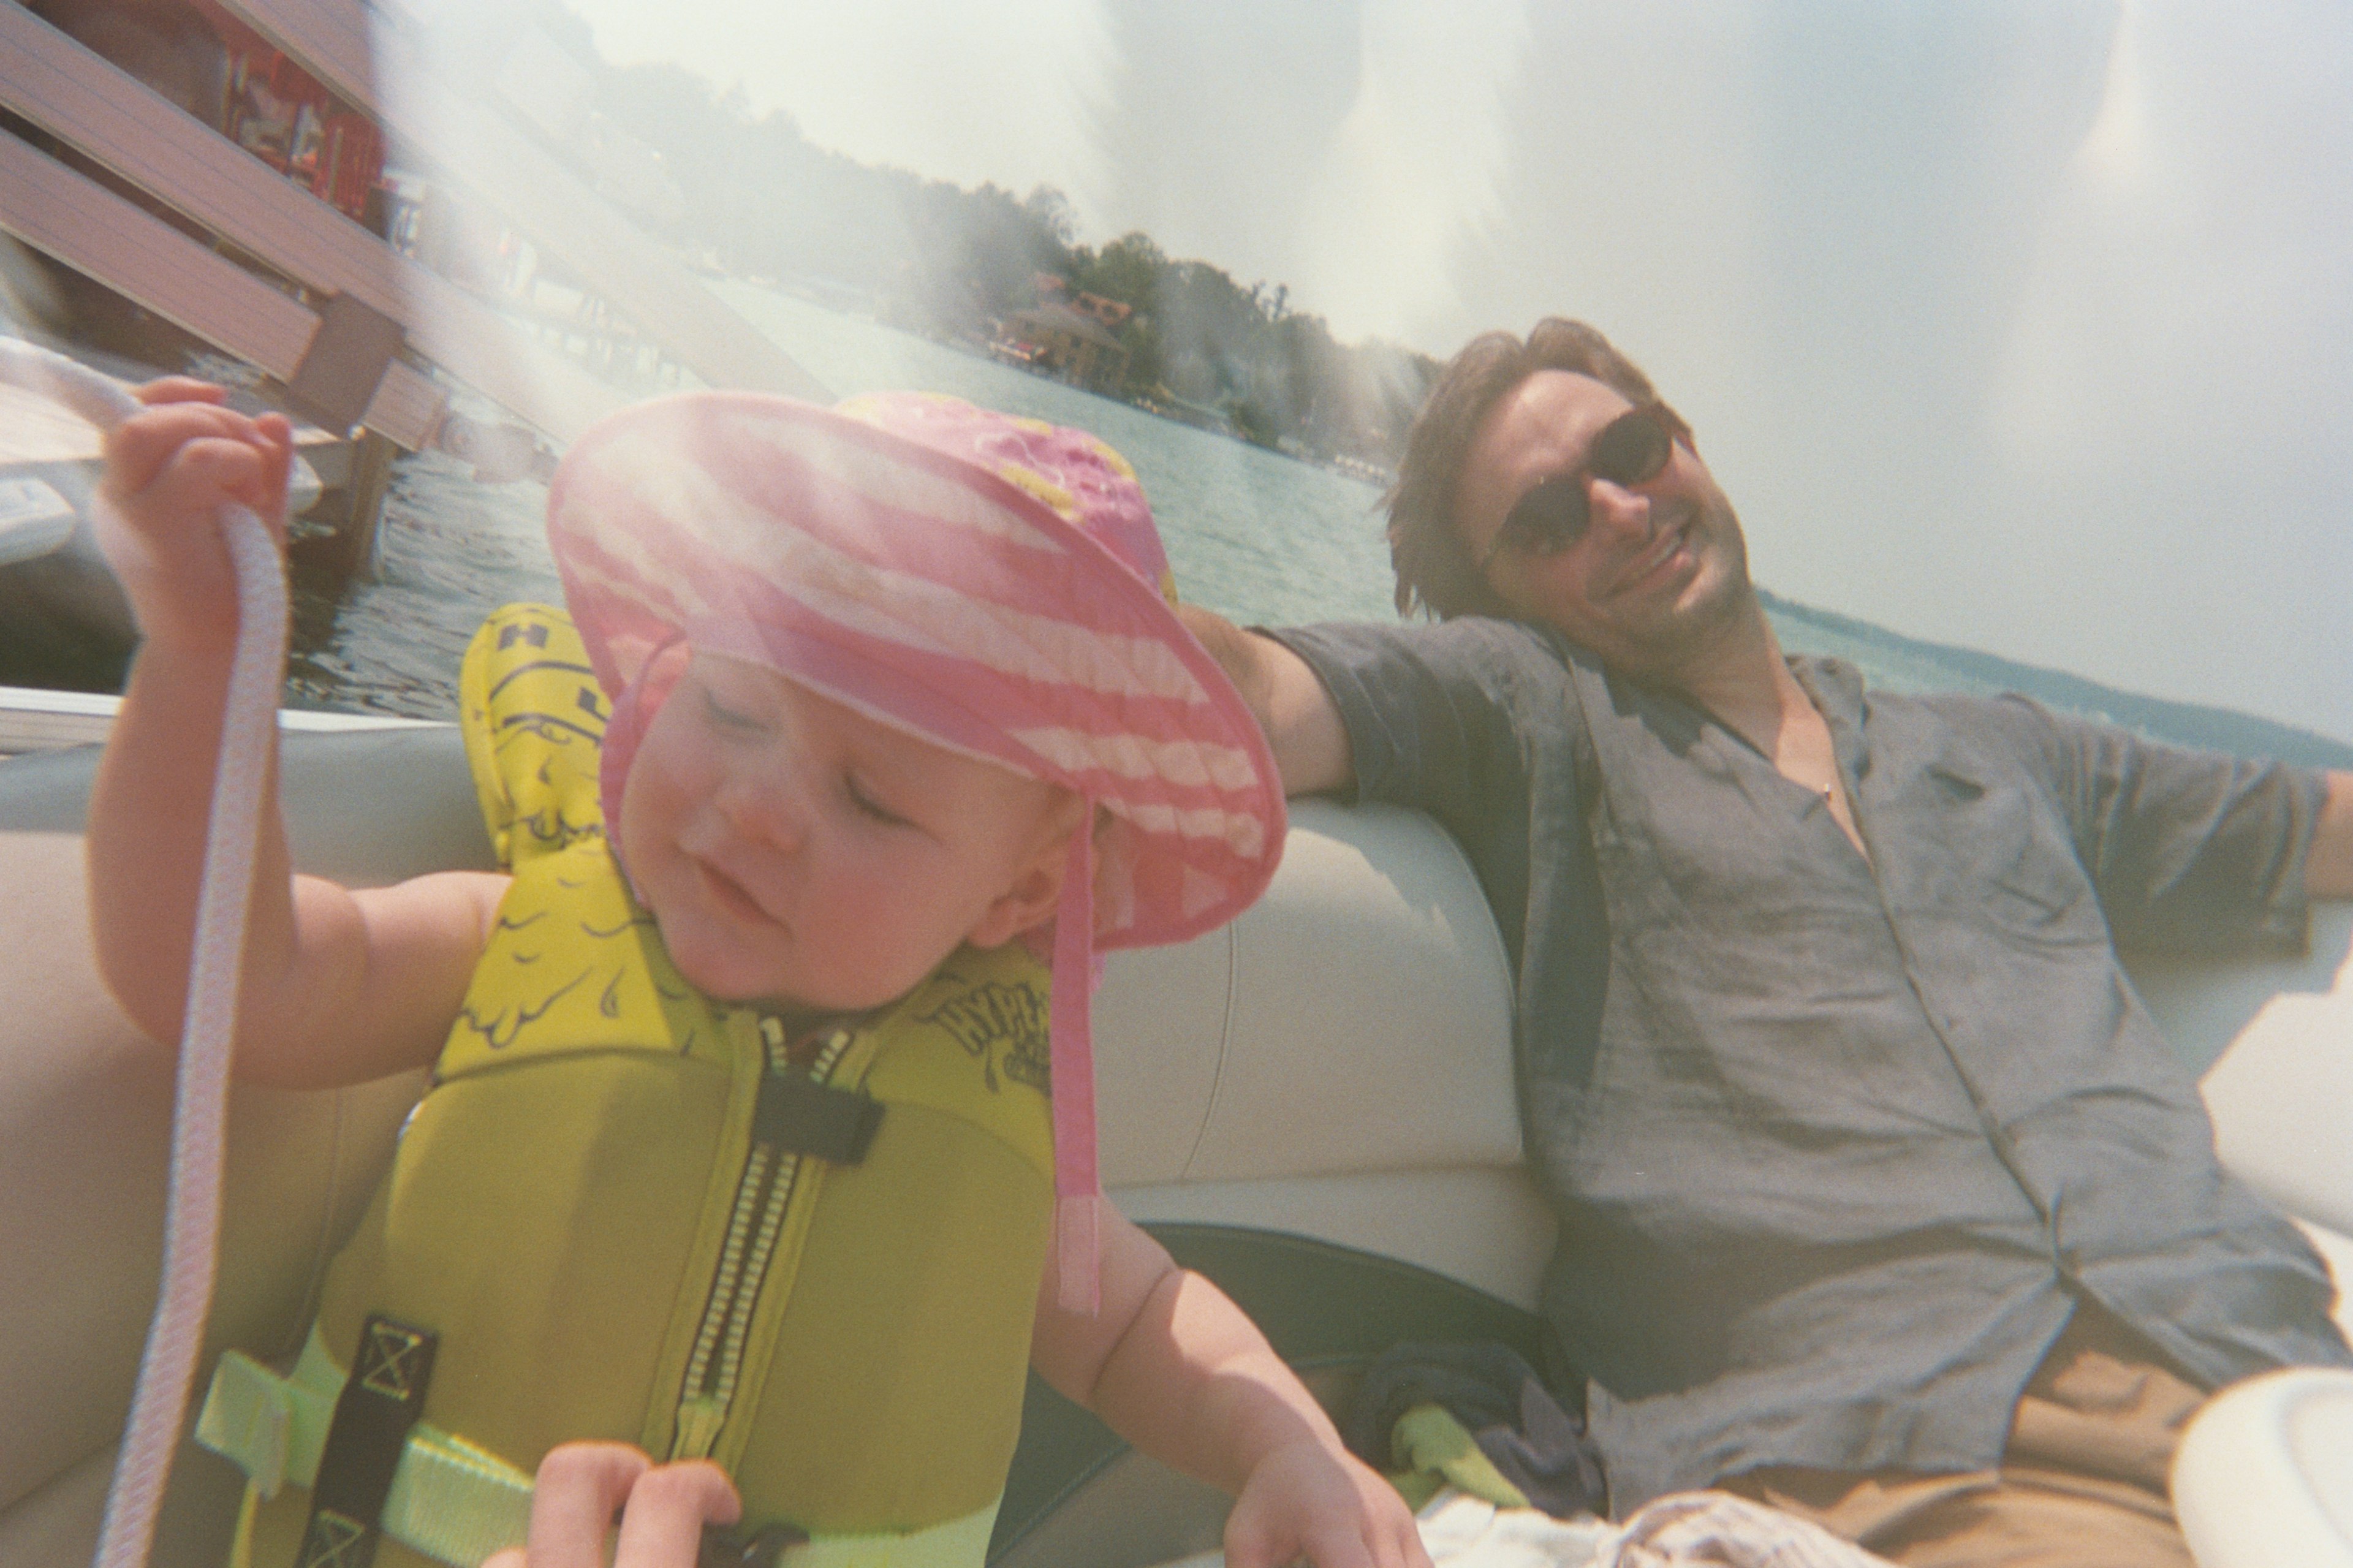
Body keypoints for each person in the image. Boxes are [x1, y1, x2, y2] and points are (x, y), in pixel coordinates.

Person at [89, 381, 1429, 1568]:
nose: (761, 806)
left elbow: (1144, 1319)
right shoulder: (518, 935)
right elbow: (226, 973)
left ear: (1019, 891)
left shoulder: (987, 1123)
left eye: (873, 799)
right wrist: (199, 658)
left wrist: (1285, 1444)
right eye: (732, 712)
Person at [1178, 318, 2353, 1567]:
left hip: (2272, 1369)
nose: (1622, 510)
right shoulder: (1533, 720)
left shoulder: (2010, 754)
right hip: (1917, 1457)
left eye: (1633, 449)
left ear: (1685, 440)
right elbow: (1246, 692)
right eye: (1547, 519)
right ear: (1502, 603)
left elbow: (2310, 824)